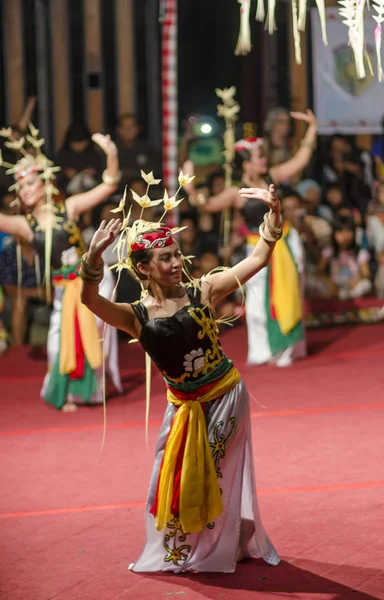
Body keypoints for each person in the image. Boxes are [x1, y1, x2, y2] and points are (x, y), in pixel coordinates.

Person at [80, 184, 282, 573]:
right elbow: (90, 301)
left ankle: (228, 544)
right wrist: (93, 259)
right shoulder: (135, 315)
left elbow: (257, 259)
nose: (175, 263)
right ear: (142, 268)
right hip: (183, 405)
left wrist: (273, 216)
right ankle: (209, 541)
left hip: (226, 395)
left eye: (176, 255)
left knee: (215, 471)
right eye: (165, 258)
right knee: (170, 474)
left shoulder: (202, 290)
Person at [0, 126, 122, 410]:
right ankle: (64, 391)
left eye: (30, 184)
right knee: (57, 341)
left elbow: (109, 184)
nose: (25, 191)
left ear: (44, 184)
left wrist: (112, 154)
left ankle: (89, 393)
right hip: (62, 289)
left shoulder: (69, 207)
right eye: (21, 187)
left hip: (92, 280)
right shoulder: (24, 225)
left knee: (94, 335)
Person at [183, 109, 317, 366]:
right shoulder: (237, 191)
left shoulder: (273, 177)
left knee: (290, 293)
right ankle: (263, 350)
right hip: (256, 247)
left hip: (285, 242)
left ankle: (290, 348)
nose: (264, 160)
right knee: (256, 301)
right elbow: (207, 204)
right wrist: (191, 189)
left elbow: (301, 159)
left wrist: (311, 128)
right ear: (245, 163)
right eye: (258, 157)